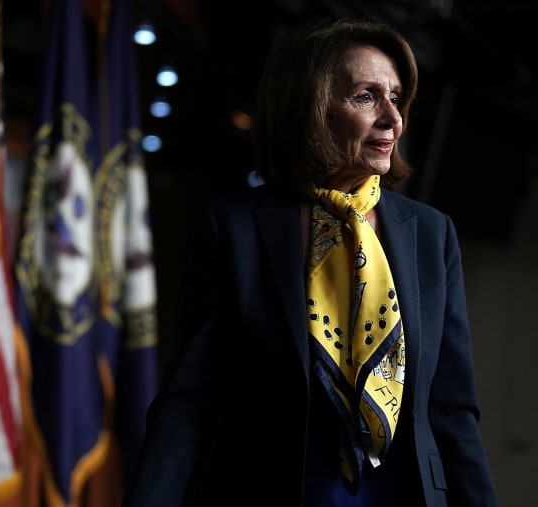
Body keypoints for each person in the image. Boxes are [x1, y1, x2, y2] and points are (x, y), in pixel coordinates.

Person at [122, 17, 498, 507]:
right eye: (366, 96)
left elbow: (451, 409)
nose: (393, 118)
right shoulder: (232, 228)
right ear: (311, 108)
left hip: (399, 494)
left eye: (397, 97)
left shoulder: (431, 233)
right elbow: (191, 398)